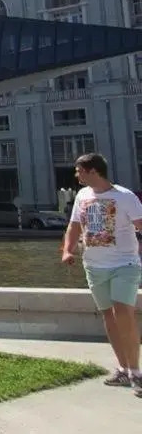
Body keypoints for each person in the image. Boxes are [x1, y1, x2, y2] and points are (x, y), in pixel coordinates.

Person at [60, 152, 142, 395]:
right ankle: (123, 369)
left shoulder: (125, 197)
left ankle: (136, 372)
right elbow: (74, 226)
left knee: (123, 313)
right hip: (94, 266)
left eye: (79, 171)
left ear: (93, 171)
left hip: (124, 264)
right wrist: (67, 250)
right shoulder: (82, 196)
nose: (76, 176)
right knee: (109, 315)